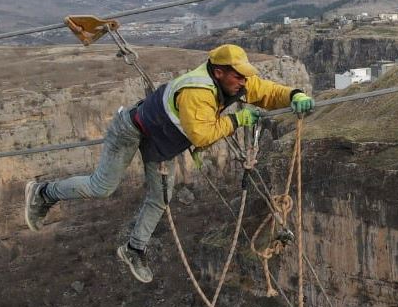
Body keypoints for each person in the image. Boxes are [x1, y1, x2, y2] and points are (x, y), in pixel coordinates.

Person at [24, 44, 314, 283]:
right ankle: (43, 192)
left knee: (160, 198)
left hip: (162, 141)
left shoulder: (231, 82)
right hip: (131, 130)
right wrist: (237, 120)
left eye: (244, 77)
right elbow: (202, 136)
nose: (243, 82)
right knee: (102, 187)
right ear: (219, 72)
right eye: (238, 76)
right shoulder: (197, 92)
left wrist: (294, 94)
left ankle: (134, 248)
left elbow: (266, 91)